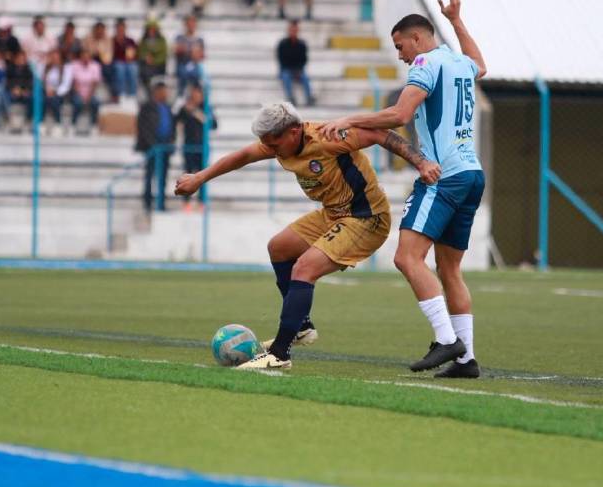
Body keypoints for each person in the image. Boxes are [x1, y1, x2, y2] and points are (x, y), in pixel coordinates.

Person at [174, 102, 440, 369]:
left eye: (273, 143)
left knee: (304, 268)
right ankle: (301, 326)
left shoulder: (328, 137)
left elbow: (381, 134)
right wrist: (199, 178)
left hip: (366, 217)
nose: (270, 149)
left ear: (293, 132)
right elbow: (243, 156)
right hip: (332, 214)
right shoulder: (277, 142)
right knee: (279, 247)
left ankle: (279, 354)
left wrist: (421, 163)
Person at [319, 0, 488, 378]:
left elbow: (399, 115)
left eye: (400, 46)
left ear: (417, 39)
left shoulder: (426, 63)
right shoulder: (458, 62)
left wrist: (348, 119)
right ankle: (466, 361)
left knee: (406, 258)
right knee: (449, 270)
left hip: (443, 176)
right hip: (471, 174)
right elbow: (480, 65)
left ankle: (447, 340)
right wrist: (457, 21)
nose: (400, 55)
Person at [136, 77, 176, 212]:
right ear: (157, 91)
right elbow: (143, 128)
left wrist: (171, 142)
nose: (166, 94)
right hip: (153, 148)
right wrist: (152, 144)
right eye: (164, 91)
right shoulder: (147, 107)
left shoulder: (168, 108)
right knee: (150, 175)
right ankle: (147, 203)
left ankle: (161, 203)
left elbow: (172, 127)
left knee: (163, 177)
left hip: (165, 148)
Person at [175, 83, 215, 210]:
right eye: (194, 93)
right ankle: (186, 202)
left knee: (202, 175)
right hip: (188, 146)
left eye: (198, 93)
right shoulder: (185, 107)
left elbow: (214, 124)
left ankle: (201, 202)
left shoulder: (206, 108)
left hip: (202, 147)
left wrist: (197, 113)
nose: (196, 96)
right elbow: (176, 120)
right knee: (187, 174)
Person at [277, 20, 314, 107]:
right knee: (286, 76)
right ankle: (290, 97)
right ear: (289, 30)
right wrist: (291, 69)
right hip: (286, 69)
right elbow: (281, 59)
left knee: (305, 78)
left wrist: (298, 70)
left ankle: (309, 98)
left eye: (295, 30)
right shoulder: (282, 44)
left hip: (298, 69)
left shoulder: (302, 44)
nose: (293, 32)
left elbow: (304, 59)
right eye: (292, 30)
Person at [71, 48, 102, 132]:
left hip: (91, 93)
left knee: (96, 103)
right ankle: (73, 124)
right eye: (83, 56)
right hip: (78, 92)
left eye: (87, 56)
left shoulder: (95, 66)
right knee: (77, 102)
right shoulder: (75, 65)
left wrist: (88, 96)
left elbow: (95, 83)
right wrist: (80, 95)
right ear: (80, 57)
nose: (85, 58)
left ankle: (94, 124)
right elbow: (74, 82)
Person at [83, 20, 115, 99]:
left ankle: (113, 92)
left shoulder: (108, 39)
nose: (100, 32)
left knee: (110, 69)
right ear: (95, 30)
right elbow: (86, 52)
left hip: (104, 62)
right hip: (91, 61)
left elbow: (109, 55)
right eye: (98, 30)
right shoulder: (88, 38)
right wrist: (97, 49)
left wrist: (101, 52)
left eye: (102, 30)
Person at [43, 49, 74, 130]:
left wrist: (55, 91)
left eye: (56, 57)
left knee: (54, 100)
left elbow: (66, 85)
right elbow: (44, 82)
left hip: (61, 93)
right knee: (40, 99)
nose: (54, 59)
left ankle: (58, 122)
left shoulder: (66, 68)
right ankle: (41, 121)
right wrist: (47, 89)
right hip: (48, 92)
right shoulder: (47, 68)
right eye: (52, 57)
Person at [174, 14, 204, 95]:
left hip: (194, 64)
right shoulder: (179, 37)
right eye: (189, 23)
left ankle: (196, 96)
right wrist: (190, 51)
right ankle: (181, 95)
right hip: (182, 63)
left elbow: (201, 55)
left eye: (193, 23)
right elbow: (176, 50)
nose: (191, 25)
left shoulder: (199, 39)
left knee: (197, 74)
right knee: (183, 73)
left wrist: (194, 53)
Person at [112, 18, 139, 102]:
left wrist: (131, 57)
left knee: (133, 69)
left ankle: (132, 95)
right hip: (117, 62)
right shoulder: (112, 40)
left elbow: (134, 53)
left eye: (122, 28)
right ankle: (122, 93)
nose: (121, 30)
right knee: (120, 69)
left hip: (129, 62)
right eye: (119, 28)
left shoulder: (130, 41)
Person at [137, 18, 168, 89]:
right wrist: (146, 58)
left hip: (159, 65)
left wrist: (154, 60)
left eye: (153, 29)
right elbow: (140, 52)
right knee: (144, 72)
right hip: (146, 65)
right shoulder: (143, 41)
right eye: (149, 29)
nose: (151, 31)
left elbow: (164, 54)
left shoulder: (162, 40)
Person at [6, 49, 34, 125]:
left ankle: (28, 119)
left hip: (23, 92)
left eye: (23, 58)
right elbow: (7, 81)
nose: (22, 60)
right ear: (16, 58)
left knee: (31, 98)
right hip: (12, 92)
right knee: (5, 97)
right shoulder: (10, 68)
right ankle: (7, 119)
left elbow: (30, 82)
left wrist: (24, 90)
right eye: (20, 58)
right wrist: (13, 89)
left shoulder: (28, 69)